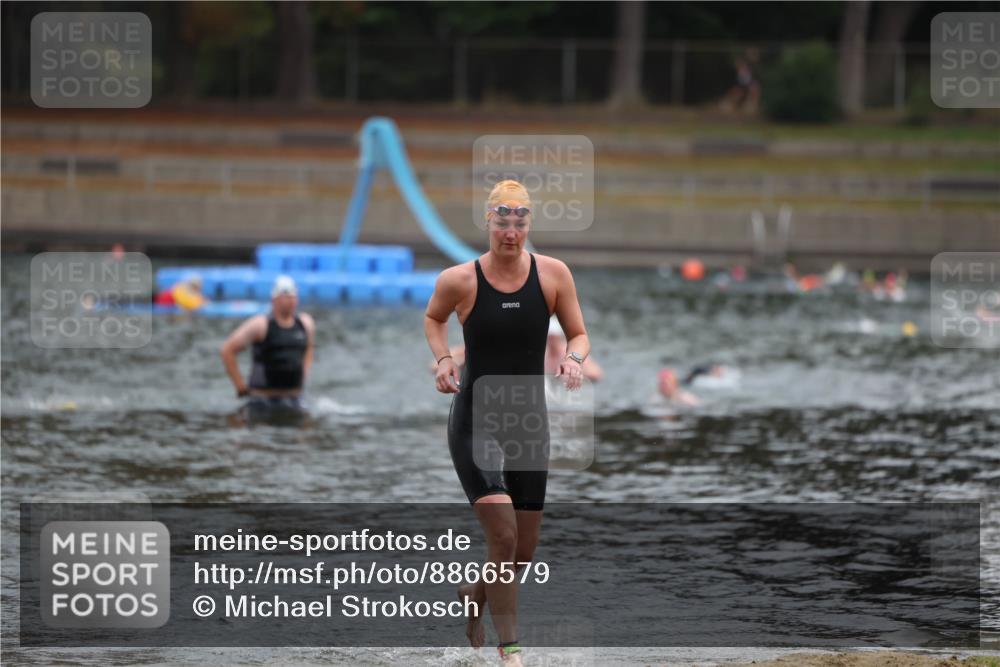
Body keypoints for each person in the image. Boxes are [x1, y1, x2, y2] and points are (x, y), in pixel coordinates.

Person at [424, 179, 590, 665]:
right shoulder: (460, 280)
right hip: (476, 420)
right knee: (503, 537)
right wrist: (441, 361)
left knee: (523, 551)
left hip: (528, 422)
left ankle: (475, 593)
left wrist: (575, 359)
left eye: (519, 223)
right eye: (502, 222)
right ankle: (510, 650)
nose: (510, 233)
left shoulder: (554, 275)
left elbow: (579, 333)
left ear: (528, 225)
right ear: (488, 222)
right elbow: (433, 320)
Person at [220, 276, 315, 416]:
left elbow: (309, 347)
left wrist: (304, 371)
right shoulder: (260, 324)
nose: (291, 300)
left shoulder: (305, 323)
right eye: (286, 296)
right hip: (262, 400)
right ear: (274, 299)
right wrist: (240, 386)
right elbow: (227, 350)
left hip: (294, 399)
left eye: (293, 296)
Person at [432, 317, 603, 383]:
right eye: (548, 338)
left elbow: (596, 375)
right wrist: (456, 360)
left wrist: (574, 368)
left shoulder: (567, 353)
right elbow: (434, 366)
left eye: (554, 338)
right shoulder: (532, 350)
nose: (550, 342)